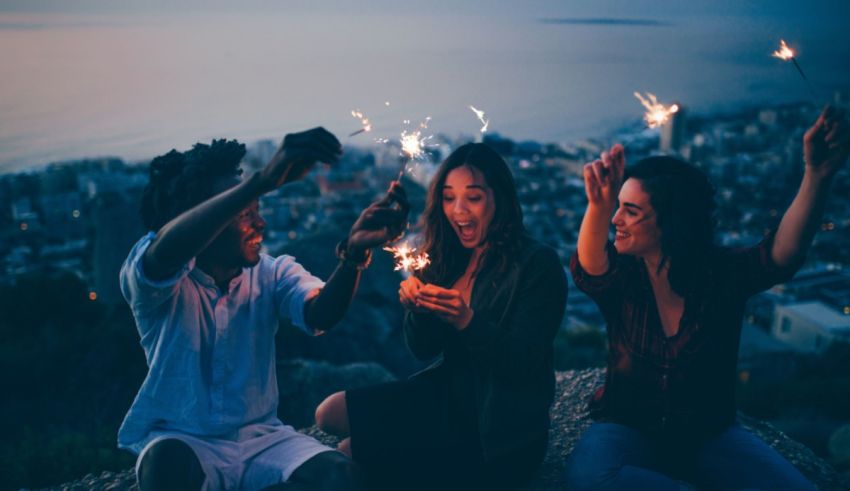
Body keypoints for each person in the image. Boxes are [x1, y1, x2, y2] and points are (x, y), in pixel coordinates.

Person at [564, 106, 850, 490]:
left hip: (707, 434)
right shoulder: (624, 277)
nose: (617, 219)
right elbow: (589, 268)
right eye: (618, 208)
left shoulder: (719, 275)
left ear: (671, 223)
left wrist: (817, 174)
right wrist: (598, 204)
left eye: (630, 211)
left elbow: (781, 255)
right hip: (626, 425)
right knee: (589, 477)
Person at [118, 127, 409, 491]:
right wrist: (262, 179)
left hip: (264, 439)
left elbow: (320, 315)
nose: (260, 223)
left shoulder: (271, 272)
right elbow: (165, 252)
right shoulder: (156, 280)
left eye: (256, 210)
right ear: (206, 222)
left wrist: (354, 254)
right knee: (165, 467)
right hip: (184, 440)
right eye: (244, 213)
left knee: (342, 476)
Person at [314, 142, 568, 490]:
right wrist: (417, 310)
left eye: (473, 197)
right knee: (327, 414)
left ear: (501, 199)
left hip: (498, 425)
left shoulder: (537, 264)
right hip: (445, 394)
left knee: (348, 454)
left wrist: (467, 321)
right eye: (449, 197)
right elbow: (422, 349)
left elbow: (523, 364)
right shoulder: (445, 256)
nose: (458, 210)